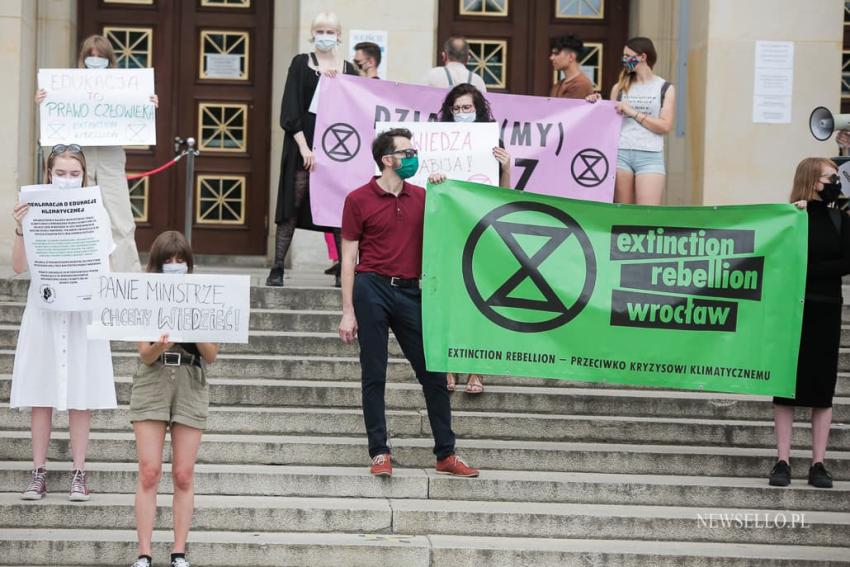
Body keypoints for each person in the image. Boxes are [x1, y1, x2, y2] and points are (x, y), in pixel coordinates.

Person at [338, 128, 479, 479]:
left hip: (412, 292)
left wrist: (442, 188)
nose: (413, 157)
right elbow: (348, 256)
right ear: (388, 159)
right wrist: (347, 311)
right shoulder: (358, 199)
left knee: (433, 372)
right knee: (374, 372)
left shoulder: (424, 196)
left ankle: (446, 453)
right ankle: (379, 452)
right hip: (371, 288)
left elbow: (457, 220)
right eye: (407, 152)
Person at [11, 144, 116, 502]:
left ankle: (79, 472)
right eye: (61, 173)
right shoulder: (32, 211)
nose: (67, 179)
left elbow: (106, 263)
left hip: (81, 311)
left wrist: (107, 303)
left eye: (75, 174)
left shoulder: (96, 211)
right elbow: (18, 267)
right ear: (48, 174)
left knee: (80, 393)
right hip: (45, 309)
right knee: (40, 391)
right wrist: (22, 228)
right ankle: (38, 471)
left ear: (84, 176)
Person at [130, 231, 219, 567]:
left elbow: (212, 355)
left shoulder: (202, 296)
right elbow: (144, 355)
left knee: (183, 473)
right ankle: (144, 552)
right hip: (153, 379)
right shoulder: (144, 295)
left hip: (190, 378)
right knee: (149, 470)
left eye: (180, 261)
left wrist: (193, 333)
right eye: (168, 260)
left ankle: (179, 551)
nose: (175, 266)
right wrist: (158, 345)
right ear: (157, 264)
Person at [36, 34, 158, 272]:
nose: (95, 59)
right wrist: (44, 101)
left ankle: (127, 277)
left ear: (109, 59)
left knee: (121, 220)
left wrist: (147, 103)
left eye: (100, 56)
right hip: (79, 155)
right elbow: (55, 118)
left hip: (110, 155)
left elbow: (136, 114)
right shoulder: (68, 85)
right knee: (79, 215)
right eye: (90, 55)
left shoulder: (124, 86)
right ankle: (78, 271)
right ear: (82, 59)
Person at [769, 158, 848, 490]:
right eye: (832, 177)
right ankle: (782, 461)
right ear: (814, 181)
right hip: (793, 310)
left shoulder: (840, 219)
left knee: (822, 391)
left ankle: (819, 463)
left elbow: (847, 260)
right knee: (787, 387)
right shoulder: (790, 216)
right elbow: (780, 259)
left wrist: (808, 272)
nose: (837, 182)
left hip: (827, 309)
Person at [431, 83, 512, 394]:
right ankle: (449, 366)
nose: (463, 113)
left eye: (468, 107)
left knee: (479, 297)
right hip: (448, 228)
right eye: (457, 108)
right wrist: (435, 179)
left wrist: (507, 168)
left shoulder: (494, 142)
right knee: (450, 298)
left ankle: (477, 369)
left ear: (479, 109)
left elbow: (504, 196)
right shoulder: (439, 143)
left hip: (481, 228)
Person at [267, 11, 358, 287]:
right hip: (302, 148)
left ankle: (345, 271)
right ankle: (278, 267)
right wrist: (305, 148)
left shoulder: (349, 69)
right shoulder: (301, 64)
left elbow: (356, 112)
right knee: (292, 206)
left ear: (339, 35)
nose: (325, 36)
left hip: (336, 152)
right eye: (320, 30)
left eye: (330, 31)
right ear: (312, 33)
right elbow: (290, 109)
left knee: (338, 209)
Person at [586, 37, 675, 205]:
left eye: (628, 55)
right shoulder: (619, 88)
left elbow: (665, 125)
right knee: (623, 213)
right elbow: (609, 123)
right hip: (621, 153)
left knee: (647, 215)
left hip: (651, 155)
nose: (624, 60)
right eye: (623, 56)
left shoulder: (665, 88)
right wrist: (598, 104)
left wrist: (633, 112)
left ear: (643, 57)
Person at [549, 34, 595, 99]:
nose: (551, 58)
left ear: (571, 57)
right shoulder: (559, 84)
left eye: (556, 54)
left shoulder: (581, 85)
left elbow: (562, 109)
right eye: (552, 54)